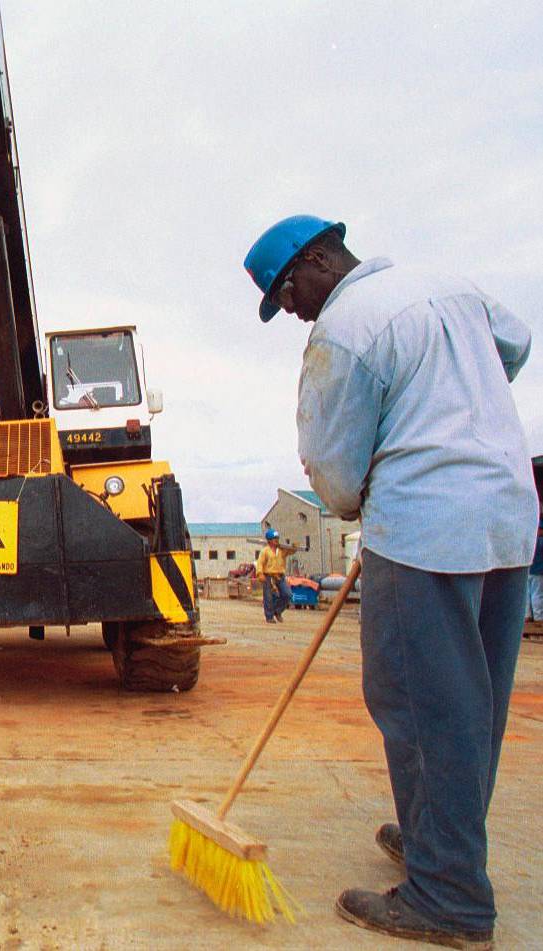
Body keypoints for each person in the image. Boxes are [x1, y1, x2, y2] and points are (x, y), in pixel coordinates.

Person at [244, 215, 534, 948]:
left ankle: (449, 898)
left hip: (426, 530)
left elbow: (335, 474)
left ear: (315, 262)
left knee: (420, 701)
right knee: (474, 699)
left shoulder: (345, 329)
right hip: (504, 516)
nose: (296, 312)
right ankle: (440, 841)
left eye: (289, 295)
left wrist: (373, 483)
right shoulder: (448, 287)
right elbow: (515, 345)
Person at [255, 528, 291, 623]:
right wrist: (260, 573)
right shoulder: (265, 551)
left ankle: (278, 611)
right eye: (274, 539)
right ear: (269, 540)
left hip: (280, 575)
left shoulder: (281, 550)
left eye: (277, 538)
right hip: (268, 576)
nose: (277, 540)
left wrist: (293, 547)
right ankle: (269, 616)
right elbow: (260, 563)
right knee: (268, 597)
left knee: (287, 594)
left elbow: (290, 551)